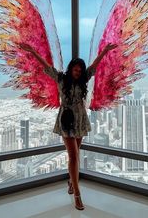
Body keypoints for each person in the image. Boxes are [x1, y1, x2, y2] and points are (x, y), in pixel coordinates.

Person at [18, 42, 117, 210]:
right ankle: (77, 194)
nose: (77, 73)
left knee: (76, 155)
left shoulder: (84, 79)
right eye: (75, 69)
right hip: (66, 120)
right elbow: (46, 66)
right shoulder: (61, 79)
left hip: (80, 119)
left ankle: (71, 182)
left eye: (80, 70)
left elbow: (94, 66)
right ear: (71, 69)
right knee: (73, 155)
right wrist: (33, 51)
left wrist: (105, 51)